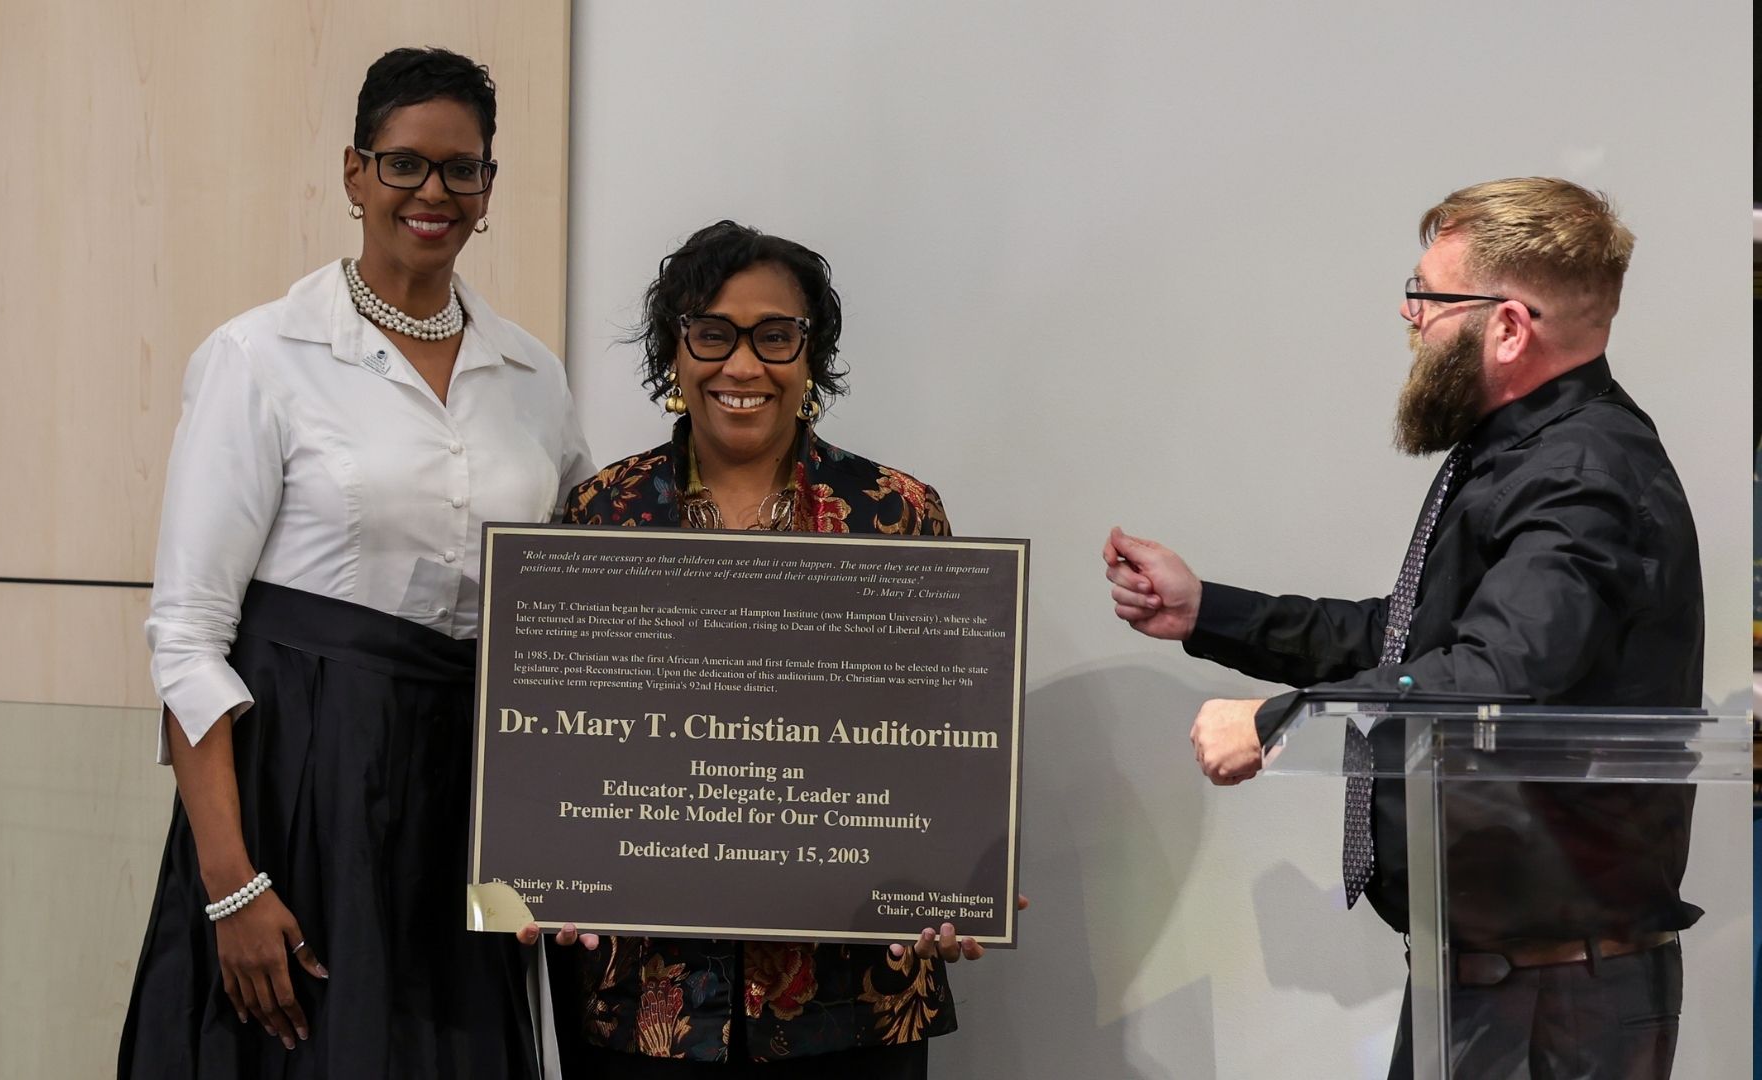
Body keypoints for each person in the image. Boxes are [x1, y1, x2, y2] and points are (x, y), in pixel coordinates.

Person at [1104, 178, 1702, 1079]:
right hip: (1502, 987)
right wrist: (1206, 611)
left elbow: (1493, 675)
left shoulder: (1584, 473)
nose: (1408, 312)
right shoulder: (1534, 454)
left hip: (1553, 1012)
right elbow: (1413, 646)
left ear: (1507, 326)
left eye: (1428, 293)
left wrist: (1280, 720)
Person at [120, 47, 591, 1079]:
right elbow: (189, 638)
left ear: (489, 189)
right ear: (353, 173)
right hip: (302, 796)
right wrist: (231, 886)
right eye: (404, 164)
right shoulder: (260, 358)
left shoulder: (534, 377)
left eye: (462, 169)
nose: (434, 193)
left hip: (467, 807)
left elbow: (573, 614)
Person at [550, 221, 992, 1078]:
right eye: (712, 333)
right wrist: (550, 869)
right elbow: (567, 747)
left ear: (810, 354)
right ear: (673, 353)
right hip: (653, 1002)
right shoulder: (601, 515)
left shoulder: (896, 516)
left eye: (775, 336)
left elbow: (953, 741)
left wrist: (960, 873)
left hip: (853, 999)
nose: (743, 366)